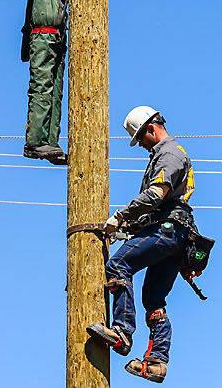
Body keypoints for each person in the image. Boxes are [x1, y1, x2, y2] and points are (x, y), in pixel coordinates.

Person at [87, 105, 196, 383]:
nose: (141, 146)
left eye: (141, 139)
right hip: (174, 234)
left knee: (118, 265)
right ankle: (157, 362)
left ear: (151, 128)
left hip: (167, 231)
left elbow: (156, 196)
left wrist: (121, 216)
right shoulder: (165, 154)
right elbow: (159, 206)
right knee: (153, 299)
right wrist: (129, 227)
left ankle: (122, 331)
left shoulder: (170, 154)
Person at [5, 0, 69, 165]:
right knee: (42, 86)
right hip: (43, 33)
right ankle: (35, 142)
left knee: (55, 90)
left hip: (56, 34)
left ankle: (49, 142)